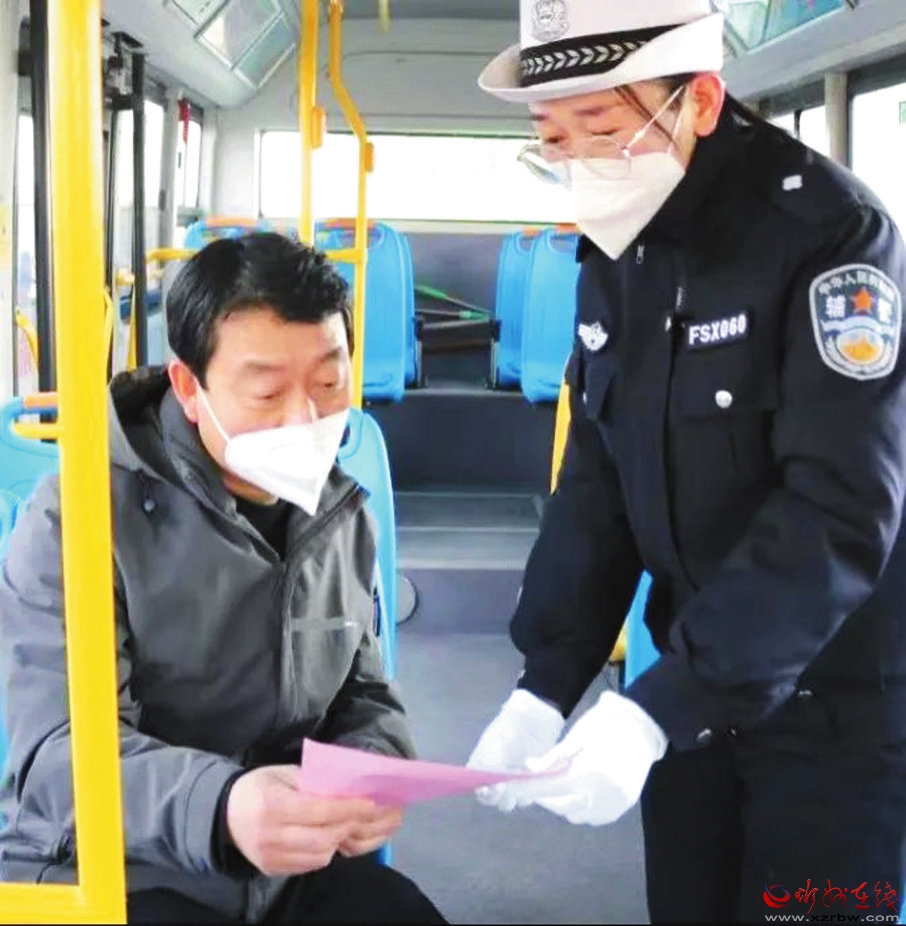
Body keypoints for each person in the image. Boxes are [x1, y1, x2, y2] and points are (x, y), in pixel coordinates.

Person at [467, 1, 906, 922]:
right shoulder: (618, 246)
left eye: (603, 129)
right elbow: (599, 479)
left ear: (700, 102)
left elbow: (838, 508)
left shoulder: (831, 235)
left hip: (834, 703)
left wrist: (654, 709)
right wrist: (546, 681)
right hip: (688, 692)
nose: (581, 162)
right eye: (553, 137)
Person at [0, 233, 445, 924]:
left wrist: (372, 762)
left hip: (285, 865)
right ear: (189, 388)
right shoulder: (80, 518)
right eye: (267, 391)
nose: (305, 419)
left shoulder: (341, 513)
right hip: (117, 865)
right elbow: (55, 756)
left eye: (329, 385)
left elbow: (361, 689)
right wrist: (223, 807)